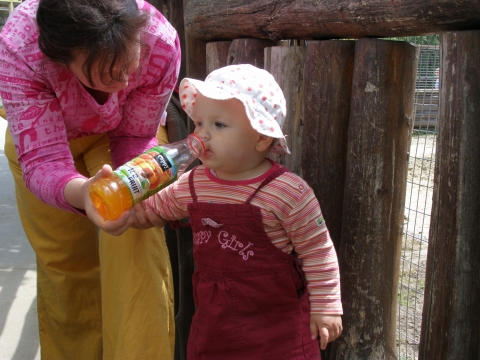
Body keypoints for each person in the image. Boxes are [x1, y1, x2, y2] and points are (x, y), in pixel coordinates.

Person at [0, 0, 180, 359]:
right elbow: (44, 159)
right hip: (43, 144)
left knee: (135, 246)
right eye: (109, 74)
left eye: (129, 64)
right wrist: (84, 193)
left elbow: (135, 134)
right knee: (65, 267)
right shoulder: (20, 47)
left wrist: (131, 189)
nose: (126, 81)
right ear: (60, 58)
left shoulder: (159, 41)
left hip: (122, 135)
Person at [144, 64, 343, 359]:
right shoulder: (193, 184)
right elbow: (153, 209)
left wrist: (326, 306)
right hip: (214, 329)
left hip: (279, 335)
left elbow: (317, 251)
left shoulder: (287, 192)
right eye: (199, 124)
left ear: (262, 137)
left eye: (219, 125)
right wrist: (125, 213)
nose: (203, 135)